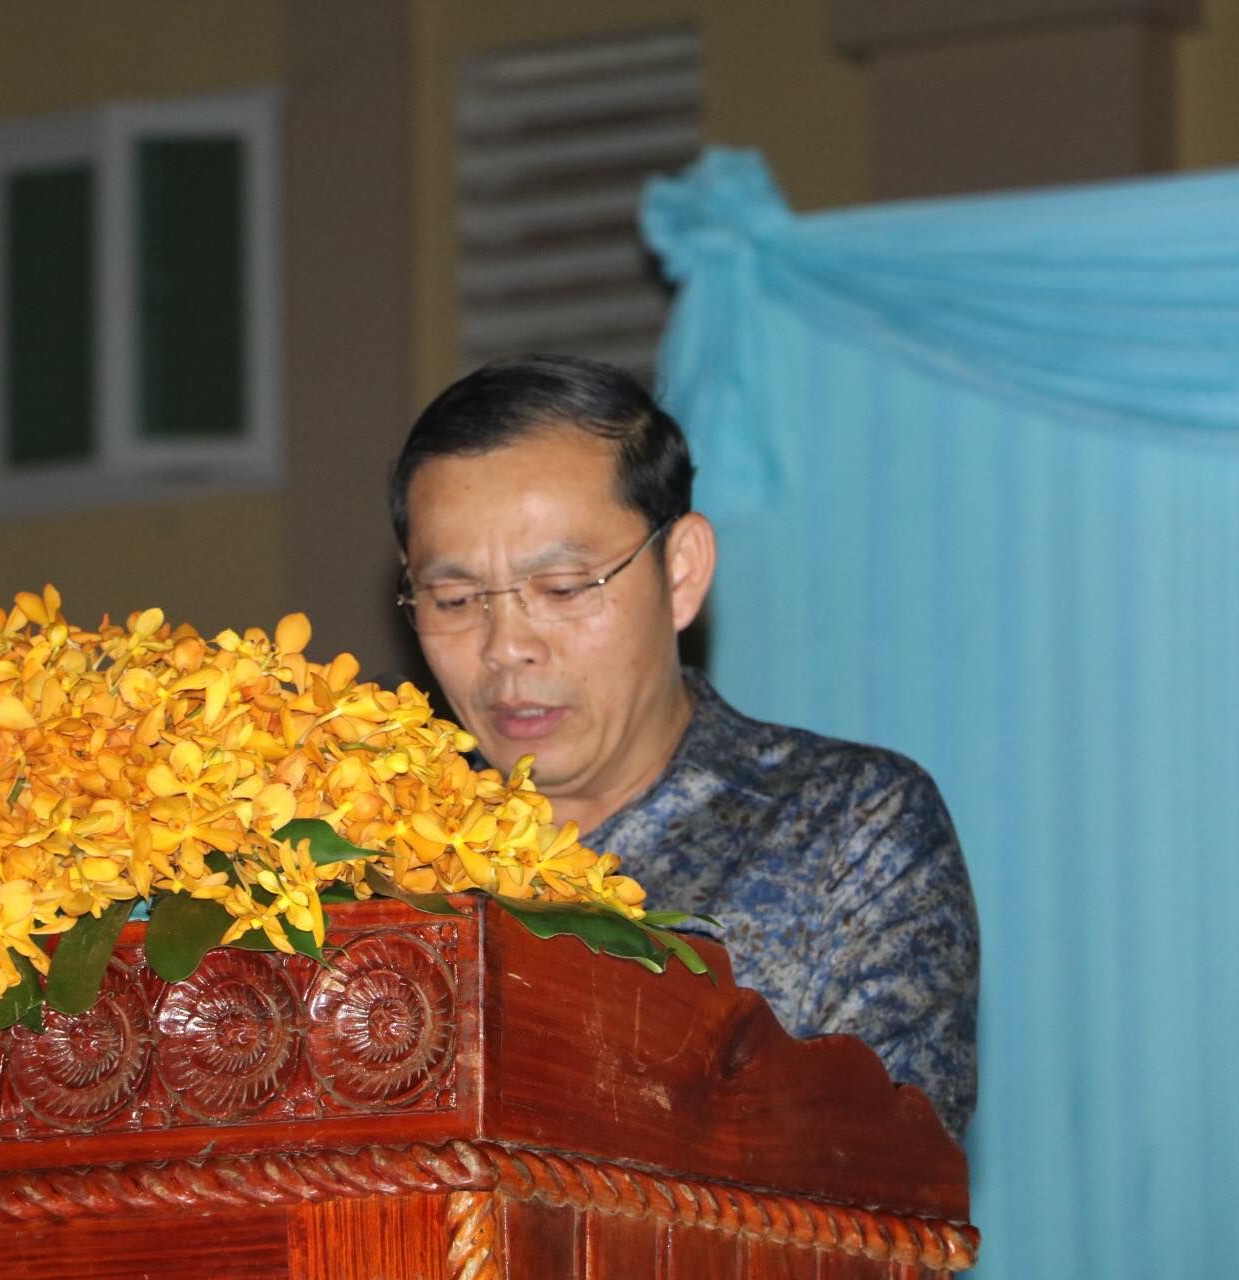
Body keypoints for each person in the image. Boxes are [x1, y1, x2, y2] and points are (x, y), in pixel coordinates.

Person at [388, 354, 979, 1138]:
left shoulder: (849, 830)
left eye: (562, 589)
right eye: (455, 599)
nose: (506, 648)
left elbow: (884, 1186)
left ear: (681, 572)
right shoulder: (372, 847)